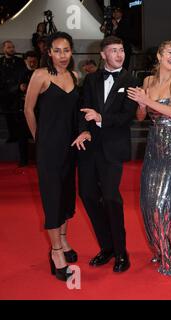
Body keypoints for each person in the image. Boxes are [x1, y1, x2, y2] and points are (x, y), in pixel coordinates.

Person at [72, 36, 138, 273]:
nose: (119, 54)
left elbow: (127, 115)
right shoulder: (91, 79)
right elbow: (83, 110)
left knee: (111, 198)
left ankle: (121, 252)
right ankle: (106, 247)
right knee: (88, 196)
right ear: (103, 55)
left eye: (121, 50)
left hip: (113, 148)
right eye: (113, 50)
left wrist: (101, 119)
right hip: (90, 148)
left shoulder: (130, 79)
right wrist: (84, 131)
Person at [127, 40, 171, 276]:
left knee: (162, 203)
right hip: (154, 146)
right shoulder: (148, 82)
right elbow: (142, 116)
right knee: (150, 202)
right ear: (160, 56)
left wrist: (147, 101)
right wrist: (141, 105)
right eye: (170, 52)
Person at [24, 32, 79, 282]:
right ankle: (56, 252)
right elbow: (28, 109)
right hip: (48, 149)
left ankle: (65, 241)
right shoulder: (41, 75)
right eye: (57, 50)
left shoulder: (75, 76)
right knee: (52, 197)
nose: (62, 55)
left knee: (67, 196)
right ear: (49, 53)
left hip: (71, 148)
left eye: (66, 50)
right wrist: (39, 139)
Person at [0, 40, 26, 143]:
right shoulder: (0, 62)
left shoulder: (19, 61)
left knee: (18, 117)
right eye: (9, 47)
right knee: (8, 117)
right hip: (4, 94)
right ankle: (12, 135)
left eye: (12, 47)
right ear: (4, 49)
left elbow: (22, 75)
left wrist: (18, 87)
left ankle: (20, 136)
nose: (12, 49)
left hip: (17, 93)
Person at [16, 51, 39, 168]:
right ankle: (23, 160)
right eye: (30, 61)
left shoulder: (41, 73)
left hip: (39, 111)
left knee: (39, 136)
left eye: (34, 61)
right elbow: (20, 88)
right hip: (23, 110)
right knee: (22, 137)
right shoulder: (20, 73)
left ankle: (40, 159)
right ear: (25, 61)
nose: (32, 63)